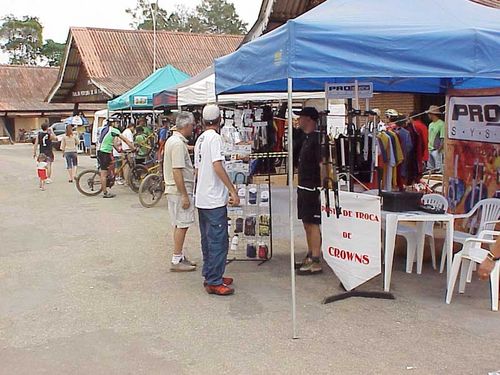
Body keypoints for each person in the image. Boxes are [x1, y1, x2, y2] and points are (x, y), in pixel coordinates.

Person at [195, 104, 240, 296]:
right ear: (220, 120)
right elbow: (217, 165)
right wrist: (232, 189)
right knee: (218, 240)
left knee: (208, 239)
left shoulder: (200, 139)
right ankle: (214, 280)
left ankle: (211, 274)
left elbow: (198, 169)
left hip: (203, 197)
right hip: (213, 199)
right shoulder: (215, 138)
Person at [164, 112, 197, 272]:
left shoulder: (175, 141)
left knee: (179, 224)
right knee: (182, 224)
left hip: (174, 190)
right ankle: (176, 258)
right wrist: (184, 194)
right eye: (192, 126)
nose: (193, 128)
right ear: (186, 126)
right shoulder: (177, 144)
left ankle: (179, 255)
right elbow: (177, 170)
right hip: (178, 192)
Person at [294, 107, 323, 275]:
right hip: (303, 186)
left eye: (302, 117)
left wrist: (322, 186)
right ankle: (310, 253)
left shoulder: (317, 140)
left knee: (312, 224)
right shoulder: (305, 138)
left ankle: (316, 260)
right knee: (306, 223)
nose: (299, 120)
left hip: (312, 188)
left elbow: (322, 164)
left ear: (309, 119)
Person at [97, 119, 135, 198]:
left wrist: (117, 149)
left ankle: (109, 180)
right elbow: (126, 140)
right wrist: (133, 148)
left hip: (101, 151)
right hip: (105, 152)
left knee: (110, 168)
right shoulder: (114, 130)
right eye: (117, 122)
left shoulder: (104, 129)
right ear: (113, 123)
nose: (118, 124)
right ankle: (105, 193)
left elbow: (110, 141)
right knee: (103, 174)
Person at [427, 105, 445, 172]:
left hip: (437, 150)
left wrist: (439, 150)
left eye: (429, 114)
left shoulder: (441, 124)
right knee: (430, 168)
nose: (428, 115)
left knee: (439, 169)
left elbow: (443, 138)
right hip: (429, 149)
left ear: (432, 114)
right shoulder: (430, 124)